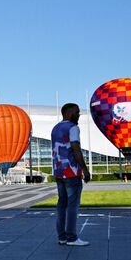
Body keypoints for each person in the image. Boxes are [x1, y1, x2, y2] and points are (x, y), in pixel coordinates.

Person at [51, 103, 91, 246]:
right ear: (68, 113)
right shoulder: (73, 128)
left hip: (58, 171)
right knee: (72, 205)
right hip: (72, 172)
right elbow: (75, 147)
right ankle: (72, 237)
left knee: (62, 203)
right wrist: (85, 169)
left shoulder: (55, 128)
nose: (78, 115)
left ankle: (62, 236)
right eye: (76, 112)